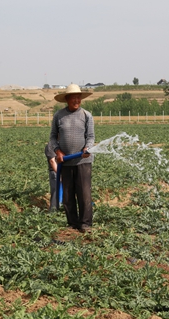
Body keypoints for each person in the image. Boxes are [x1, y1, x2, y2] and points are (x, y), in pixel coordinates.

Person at [49, 83, 94, 233]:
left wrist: (87, 148)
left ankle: (85, 223)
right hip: (65, 161)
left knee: (84, 193)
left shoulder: (86, 115)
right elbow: (53, 137)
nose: (76, 100)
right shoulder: (59, 116)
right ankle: (72, 223)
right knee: (68, 194)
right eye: (73, 97)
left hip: (83, 160)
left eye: (78, 97)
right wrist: (58, 151)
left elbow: (90, 137)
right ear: (67, 99)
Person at [44, 142, 58, 212]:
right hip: (55, 172)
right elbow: (52, 161)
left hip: (65, 171)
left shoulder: (64, 144)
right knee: (56, 191)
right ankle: (53, 213)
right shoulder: (51, 146)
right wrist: (59, 174)